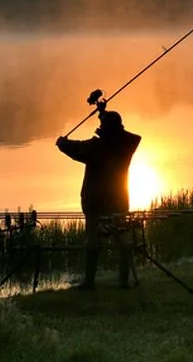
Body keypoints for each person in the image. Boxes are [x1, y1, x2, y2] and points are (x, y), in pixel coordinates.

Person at [54, 107, 143, 289]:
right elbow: (129, 135)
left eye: (102, 125)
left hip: (95, 202)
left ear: (104, 129)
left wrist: (61, 142)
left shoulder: (96, 147)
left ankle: (89, 282)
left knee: (93, 243)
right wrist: (104, 115)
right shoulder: (127, 145)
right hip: (118, 201)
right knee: (122, 242)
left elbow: (73, 148)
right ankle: (124, 283)